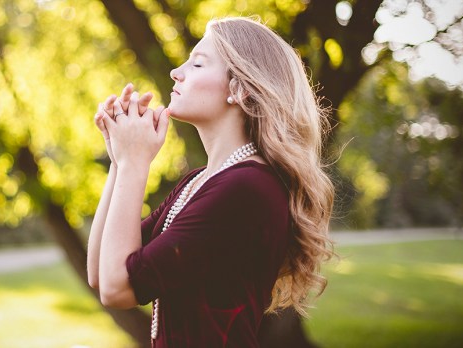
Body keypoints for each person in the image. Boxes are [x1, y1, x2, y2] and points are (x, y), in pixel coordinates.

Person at [87, 16, 334, 347]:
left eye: (198, 64)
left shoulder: (245, 189)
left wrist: (135, 162)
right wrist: (120, 160)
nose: (177, 71)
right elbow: (101, 275)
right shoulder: (202, 181)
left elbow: (119, 289)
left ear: (239, 88)